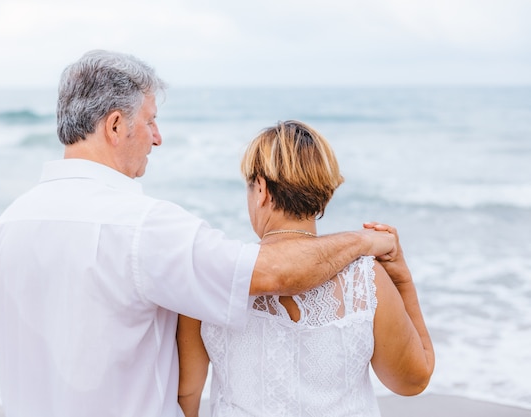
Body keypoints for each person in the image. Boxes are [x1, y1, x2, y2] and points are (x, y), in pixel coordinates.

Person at [0, 50, 396, 417]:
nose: (158, 138)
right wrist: (364, 242)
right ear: (114, 126)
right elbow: (275, 272)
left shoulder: (7, 226)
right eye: (150, 121)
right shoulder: (143, 227)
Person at [177, 120, 435, 417]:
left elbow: (187, 392)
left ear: (260, 189)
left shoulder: (213, 275)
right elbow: (412, 380)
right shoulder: (366, 280)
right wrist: (402, 280)